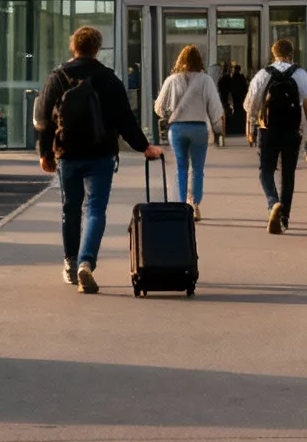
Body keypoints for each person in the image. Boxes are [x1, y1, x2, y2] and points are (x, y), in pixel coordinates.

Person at [34, 26, 162, 293]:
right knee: (95, 210)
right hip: (101, 154)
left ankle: (70, 263)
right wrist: (144, 147)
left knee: (70, 209)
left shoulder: (57, 77)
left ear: (74, 46)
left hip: (67, 154)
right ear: (97, 48)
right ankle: (86, 263)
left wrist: (44, 153)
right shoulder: (108, 79)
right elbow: (125, 119)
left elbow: (44, 118)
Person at [243, 37, 307, 235]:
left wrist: (248, 129)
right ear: (291, 54)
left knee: (266, 170)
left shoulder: (263, 74)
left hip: (268, 129)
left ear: (273, 53)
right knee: (288, 174)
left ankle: (273, 204)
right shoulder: (300, 74)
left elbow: (251, 105)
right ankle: (284, 217)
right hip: (292, 131)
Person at [153, 44, 221, 216]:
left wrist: (167, 114)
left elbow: (159, 107)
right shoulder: (206, 80)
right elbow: (215, 107)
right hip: (199, 127)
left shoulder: (172, 80)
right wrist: (217, 127)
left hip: (177, 128)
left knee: (181, 167)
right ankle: (195, 204)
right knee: (198, 168)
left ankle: (182, 205)